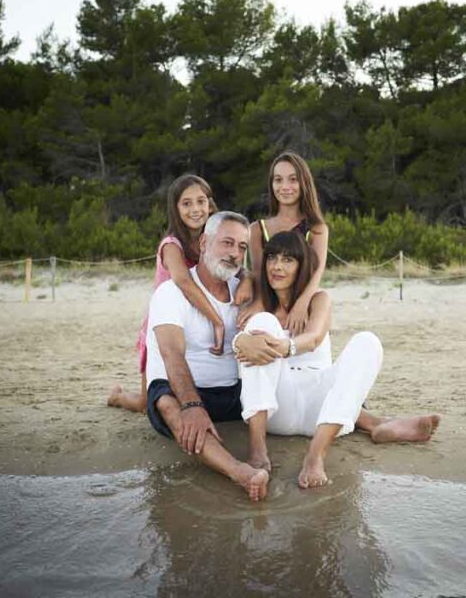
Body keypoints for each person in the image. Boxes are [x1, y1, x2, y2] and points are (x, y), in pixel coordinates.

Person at [235, 231, 440, 489]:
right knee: (261, 323)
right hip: (277, 408)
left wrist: (287, 346)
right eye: (272, 258)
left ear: (302, 266)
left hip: (322, 411)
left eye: (288, 260)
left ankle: (316, 454)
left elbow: (313, 337)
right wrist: (241, 339)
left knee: (368, 341)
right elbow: (244, 355)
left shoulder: (319, 300)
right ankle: (257, 448)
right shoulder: (259, 306)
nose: (277, 266)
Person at [144, 211, 269, 501]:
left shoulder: (245, 292)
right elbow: (171, 353)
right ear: (203, 243)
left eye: (241, 247)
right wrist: (191, 404)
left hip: (232, 393)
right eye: (226, 243)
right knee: (166, 403)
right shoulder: (170, 292)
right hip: (183, 392)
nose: (234, 253)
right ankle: (240, 472)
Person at [108, 174, 251, 412]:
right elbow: (184, 282)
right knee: (146, 403)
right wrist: (217, 321)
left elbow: (237, 266)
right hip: (167, 323)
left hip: (196, 321)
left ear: (209, 203)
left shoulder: (214, 238)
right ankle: (118, 397)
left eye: (201, 201)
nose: (195, 209)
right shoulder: (171, 244)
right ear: (176, 208)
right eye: (186, 203)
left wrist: (247, 278)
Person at [245, 151, 329, 334]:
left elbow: (317, 272)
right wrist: (259, 303)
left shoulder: (316, 229)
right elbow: (259, 273)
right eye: (278, 179)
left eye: (293, 179)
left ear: (303, 182)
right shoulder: (257, 229)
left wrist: (302, 305)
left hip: (303, 311)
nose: (285, 186)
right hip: (271, 311)